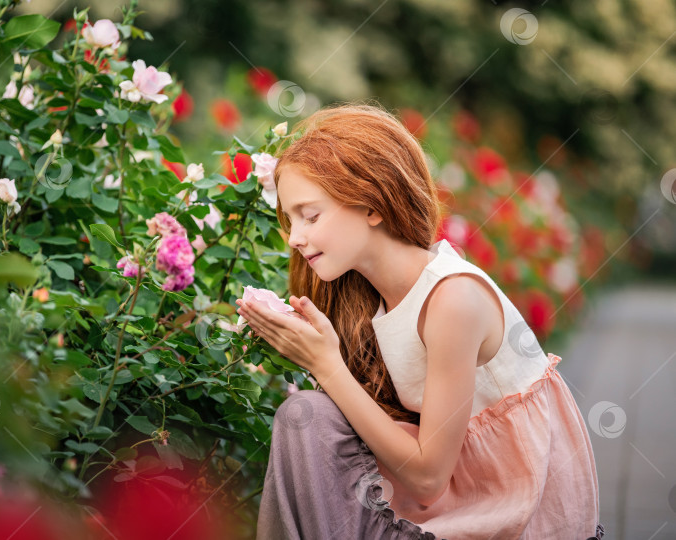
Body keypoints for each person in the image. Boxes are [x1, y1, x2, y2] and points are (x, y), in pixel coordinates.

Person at [236, 102, 605, 539]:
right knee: (306, 416)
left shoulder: (452, 298)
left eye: (311, 216)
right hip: (449, 497)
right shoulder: (371, 298)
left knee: (309, 416)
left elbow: (429, 479)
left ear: (372, 206)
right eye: (290, 220)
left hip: (502, 519)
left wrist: (326, 364)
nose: (296, 238)